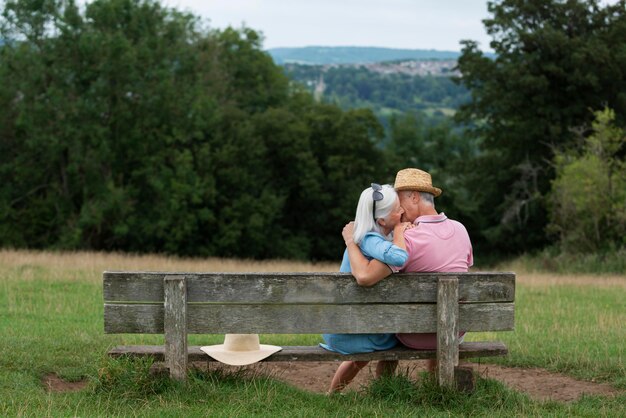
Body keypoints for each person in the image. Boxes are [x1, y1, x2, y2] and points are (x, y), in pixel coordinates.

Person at [343, 168, 473, 373]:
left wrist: (351, 240)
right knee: (433, 313)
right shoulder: (461, 230)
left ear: (414, 197)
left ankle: (384, 388)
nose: (399, 211)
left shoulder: (407, 240)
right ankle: (434, 383)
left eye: (399, 202)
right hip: (455, 330)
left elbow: (366, 277)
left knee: (388, 327)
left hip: (413, 332)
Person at [321, 183, 414, 393]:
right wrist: (400, 230)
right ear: (381, 220)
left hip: (343, 330)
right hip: (355, 334)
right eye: (397, 209)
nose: (402, 211)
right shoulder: (369, 240)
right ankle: (383, 391)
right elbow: (399, 257)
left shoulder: (362, 238)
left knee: (386, 337)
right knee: (399, 336)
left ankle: (332, 395)